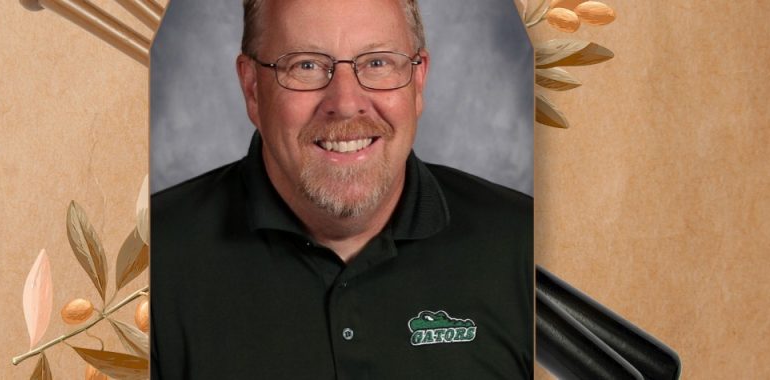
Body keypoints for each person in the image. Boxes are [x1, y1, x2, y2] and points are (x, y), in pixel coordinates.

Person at [150, 0, 532, 378]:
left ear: (418, 81)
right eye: (307, 65)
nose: (346, 104)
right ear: (252, 88)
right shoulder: (147, 266)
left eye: (378, 62)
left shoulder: (526, 247)